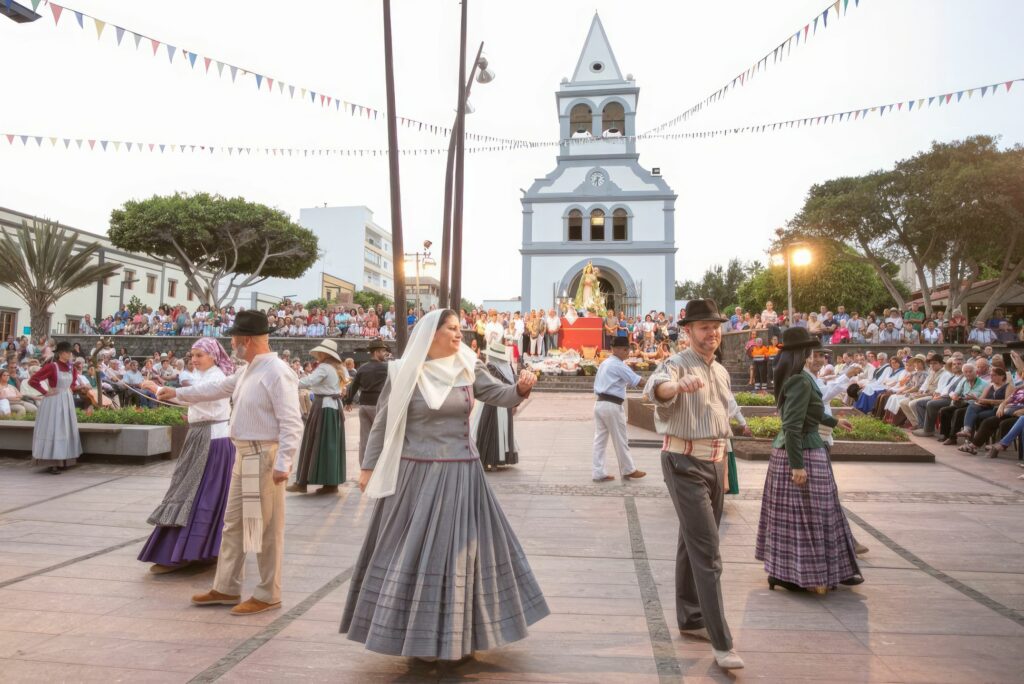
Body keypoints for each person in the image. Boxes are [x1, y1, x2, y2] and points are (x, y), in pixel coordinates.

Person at [341, 309, 548, 662]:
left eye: (459, 329)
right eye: (451, 329)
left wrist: (521, 389)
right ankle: (415, 637)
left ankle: (460, 635)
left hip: (462, 474)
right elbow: (384, 421)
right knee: (414, 552)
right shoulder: (405, 371)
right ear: (431, 334)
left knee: (462, 555)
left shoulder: (467, 365)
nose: (459, 335)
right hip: (415, 477)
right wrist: (367, 466)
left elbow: (499, 395)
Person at [158, 310, 303, 616]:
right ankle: (226, 587)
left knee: (265, 527)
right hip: (246, 455)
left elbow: (292, 422)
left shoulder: (277, 371)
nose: (231, 342)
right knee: (235, 523)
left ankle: (268, 593)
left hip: (264, 456)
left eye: (235, 337)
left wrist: (284, 462)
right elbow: (217, 389)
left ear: (246, 341)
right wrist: (177, 393)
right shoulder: (250, 369)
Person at [644, 299, 744, 670]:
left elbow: (722, 413)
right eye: (704, 327)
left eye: (715, 326)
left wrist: (726, 464)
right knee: (708, 552)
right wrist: (676, 388)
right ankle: (722, 642)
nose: (712, 333)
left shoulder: (719, 371)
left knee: (693, 540)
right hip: (683, 461)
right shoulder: (676, 364)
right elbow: (656, 387)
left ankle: (691, 617)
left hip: (715, 462)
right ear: (688, 331)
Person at [755, 326, 862, 594]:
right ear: (802, 352)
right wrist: (798, 466)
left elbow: (810, 412)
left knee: (797, 518)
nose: (814, 355)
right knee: (811, 517)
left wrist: (835, 420)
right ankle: (800, 574)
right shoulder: (800, 380)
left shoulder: (799, 377)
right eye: (810, 350)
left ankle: (795, 572)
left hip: (802, 450)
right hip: (803, 452)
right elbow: (792, 426)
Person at [139, 338, 237, 574]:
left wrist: (159, 389)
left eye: (199, 355)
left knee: (197, 493)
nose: (194, 359)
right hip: (203, 437)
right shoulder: (204, 377)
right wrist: (163, 392)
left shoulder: (216, 378)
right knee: (194, 492)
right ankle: (198, 550)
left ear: (213, 356)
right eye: (192, 355)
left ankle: (189, 551)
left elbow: (199, 394)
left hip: (212, 440)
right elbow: (190, 396)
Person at [288, 339, 347, 494]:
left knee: (313, 442)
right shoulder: (338, 368)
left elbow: (308, 381)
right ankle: (330, 483)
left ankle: (303, 482)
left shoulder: (325, 368)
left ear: (324, 353)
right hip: (333, 408)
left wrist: (288, 380)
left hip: (323, 407)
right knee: (329, 444)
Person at [591, 336, 647, 483]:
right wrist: (655, 384)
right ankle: (628, 469)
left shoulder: (605, 363)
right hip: (612, 405)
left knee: (600, 440)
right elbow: (638, 381)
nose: (627, 352)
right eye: (625, 349)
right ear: (617, 349)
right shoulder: (618, 365)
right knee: (620, 438)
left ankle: (598, 472)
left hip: (600, 403)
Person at [28, 341, 83, 475]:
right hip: (54, 401)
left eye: (70, 352)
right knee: (54, 428)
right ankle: (53, 462)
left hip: (67, 400)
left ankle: (64, 460)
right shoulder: (52, 366)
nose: (70, 355)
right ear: (61, 353)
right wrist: (45, 391)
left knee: (65, 428)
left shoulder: (71, 368)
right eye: (68, 352)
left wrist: (78, 388)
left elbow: (72, 384)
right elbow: (33, 380)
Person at [473, 342, 521, 471]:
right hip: (505, 403)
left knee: (490, 429)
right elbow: (514, 386)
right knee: (501, 430)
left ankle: (489, 459)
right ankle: (498, 458)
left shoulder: (491, 367)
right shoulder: (508, 367)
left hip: (491, 404)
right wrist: (515, 403)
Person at [345, 339, 390, 467]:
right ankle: (379, 467)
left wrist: (348, 401)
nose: (385, 354)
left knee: (365, 438)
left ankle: (365, 467)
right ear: (376, 352)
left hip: (364, 405)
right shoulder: (386, 367)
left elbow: (353, 386)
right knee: (381, 437)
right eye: (383, 351)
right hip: (378, 405)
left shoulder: (362, 368)